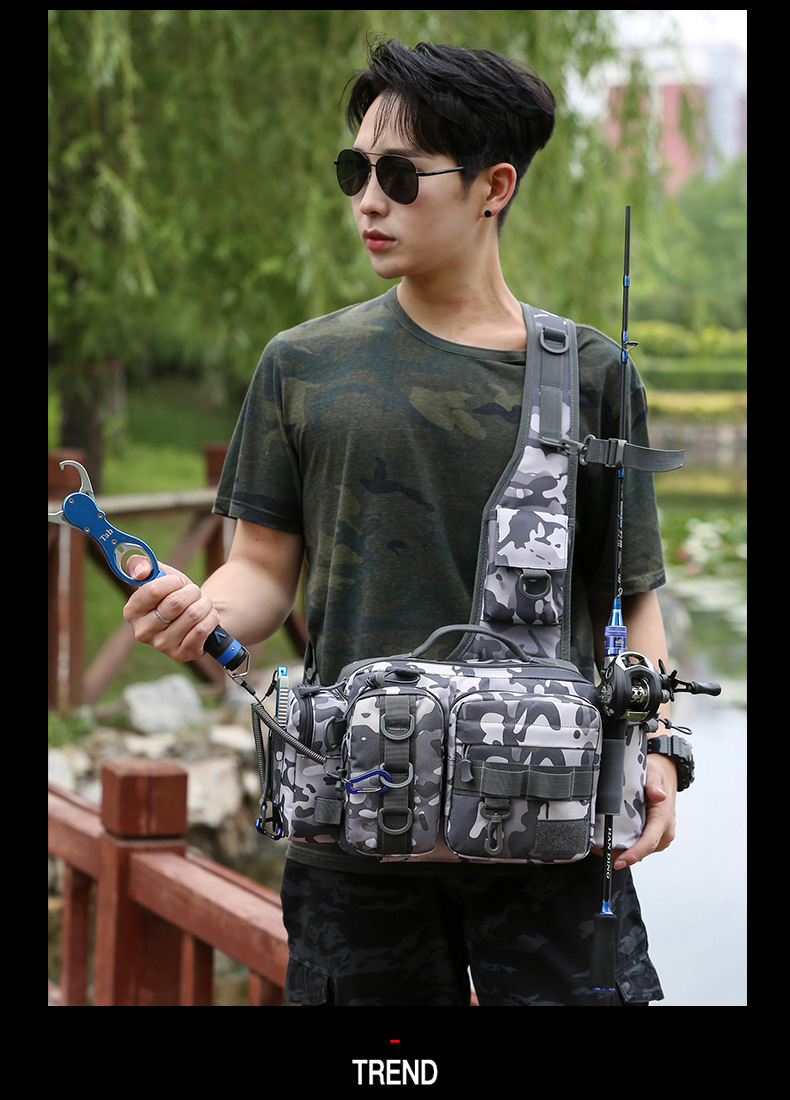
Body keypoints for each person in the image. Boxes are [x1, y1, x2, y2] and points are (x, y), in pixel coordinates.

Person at [123, 38, 678, 1006]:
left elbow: (628, 598)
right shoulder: (304, 365)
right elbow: (260, 571)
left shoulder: (591, 373)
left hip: (552, 823)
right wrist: (199, 608)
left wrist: (661, 746)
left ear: (494, 185)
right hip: (356, 825)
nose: (367, 202)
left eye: (399, 175)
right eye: (356, 172)